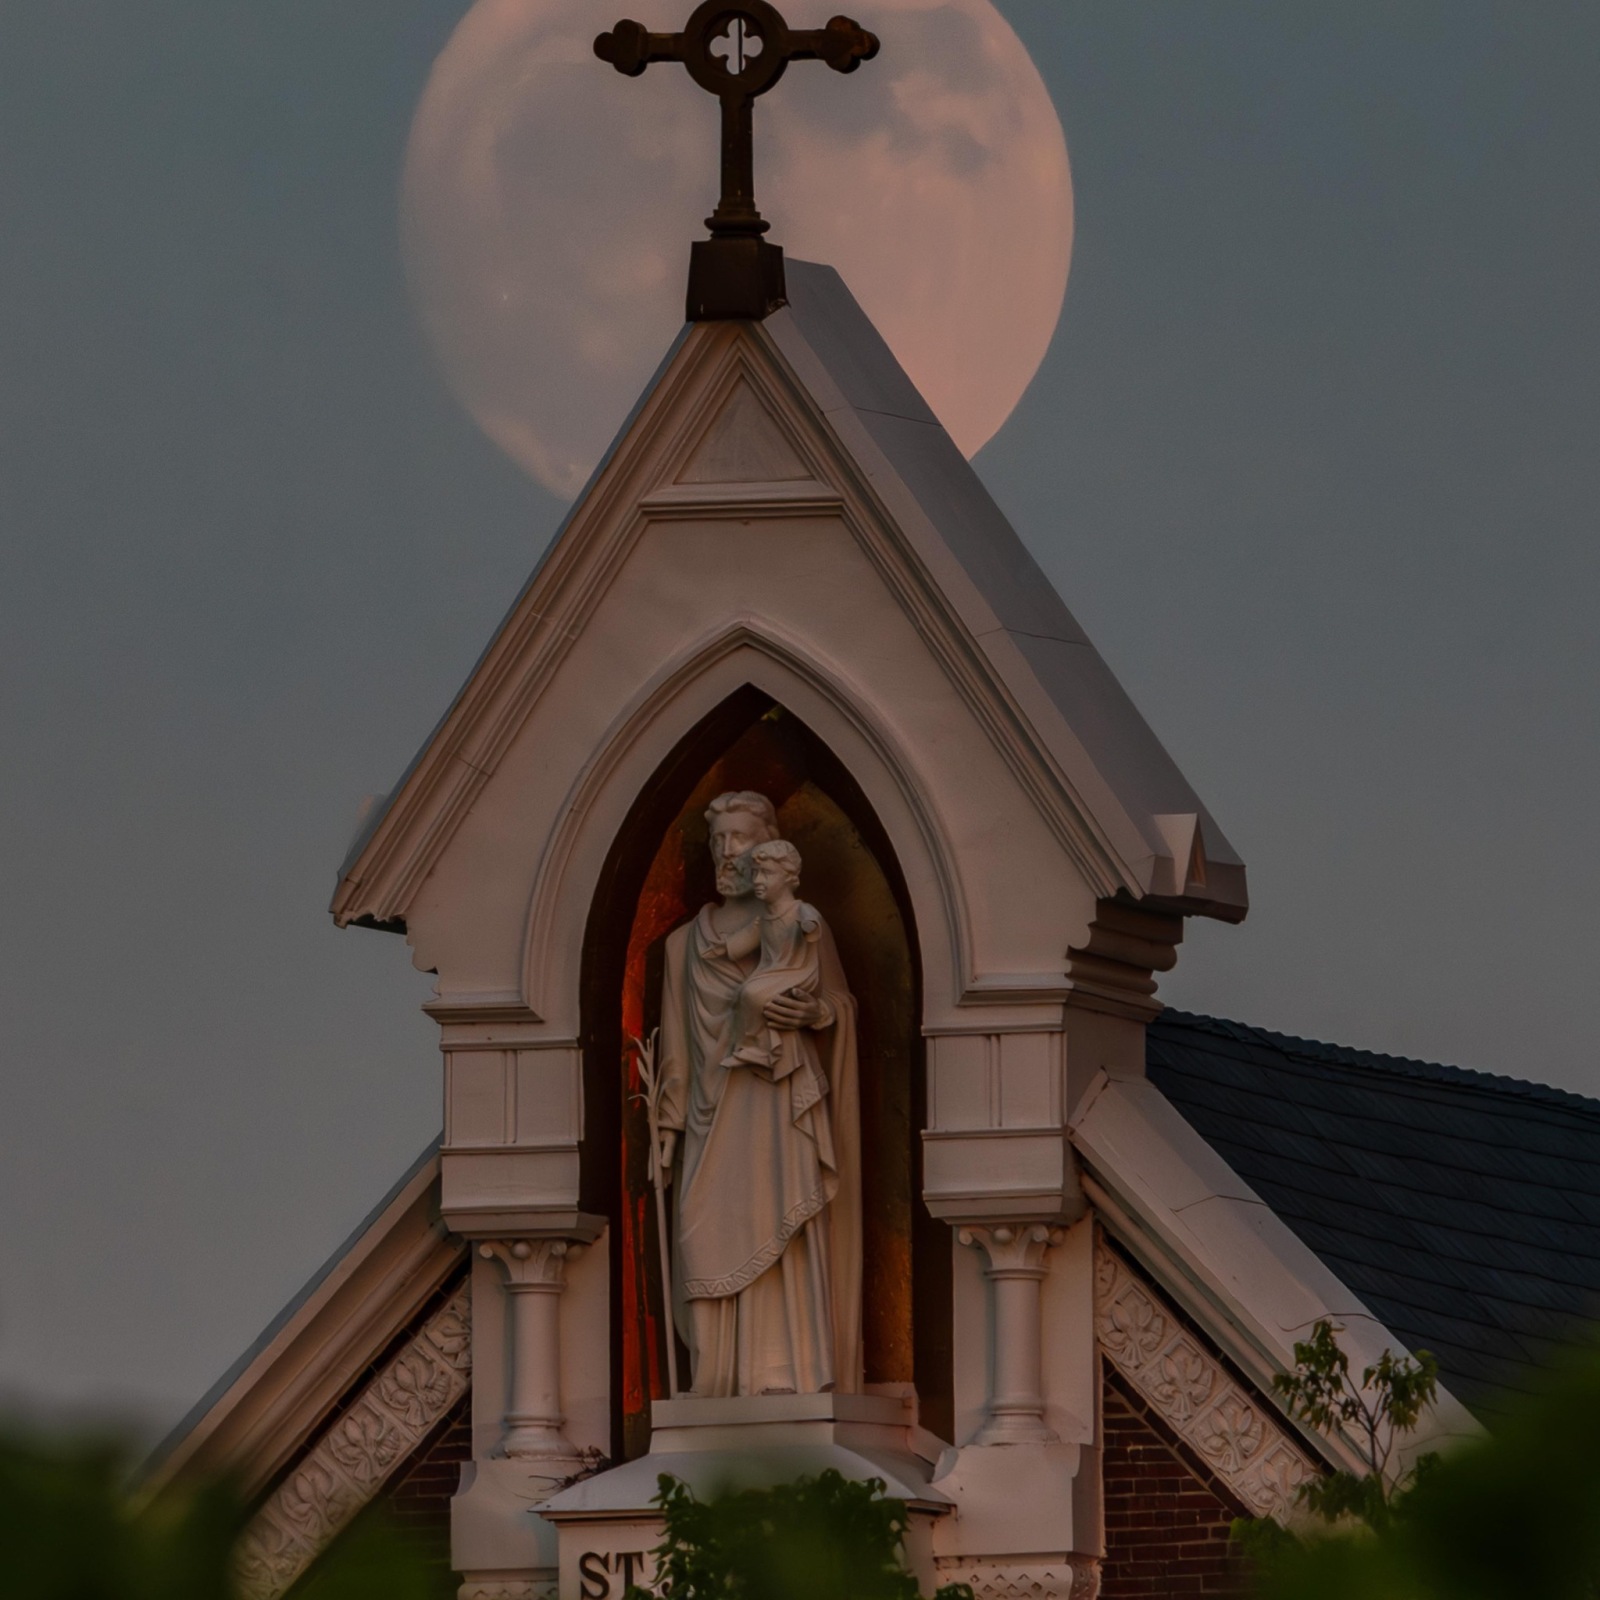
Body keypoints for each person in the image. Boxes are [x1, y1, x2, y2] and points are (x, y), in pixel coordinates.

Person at [656, 792, 861, 1398]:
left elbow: (839, 1006)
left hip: (776, 1103)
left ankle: (785, 1375)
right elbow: (676, 1046)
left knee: (783, 1229)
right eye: (719, 840)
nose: (728, 852)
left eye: (741, 838)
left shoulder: (799, 921)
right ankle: (718, 1382)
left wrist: (817, 1011)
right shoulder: (681, 946)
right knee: (699, 1233)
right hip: (709, 1113)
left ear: (770, 849)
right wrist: (667, 1128)